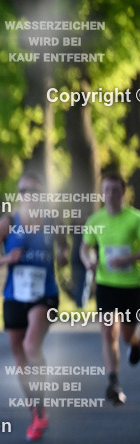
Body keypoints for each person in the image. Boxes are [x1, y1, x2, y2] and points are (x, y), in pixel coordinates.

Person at [0, 172, 68, 440]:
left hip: (46, 294)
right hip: (15, 296)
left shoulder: (54, 222)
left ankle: (41, 405)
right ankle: (36, 408)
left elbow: (64, 250)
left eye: (34, 191)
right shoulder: (6, 223)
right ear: (19, 195)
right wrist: (5, 259)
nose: (29, 196)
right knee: (20, 356)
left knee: (31, 347)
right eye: (24, 191)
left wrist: (63, 257)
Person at [80, 172, 140, 405]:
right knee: (108, 331)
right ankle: (113, 382)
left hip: (132, 285)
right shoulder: (96, 220)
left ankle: (135, 344)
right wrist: (88, 262)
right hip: (106, 284)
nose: (110, 194)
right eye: (106, 190)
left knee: (127, 334)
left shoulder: (135, 219)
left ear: (123, 192)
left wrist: (129, 259)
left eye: (115, 190)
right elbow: (85, 249)